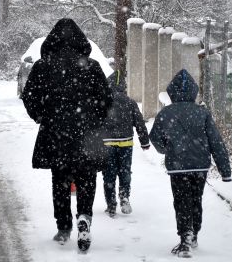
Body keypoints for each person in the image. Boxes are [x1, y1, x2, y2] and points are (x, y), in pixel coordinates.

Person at [21, 18, 112, 253]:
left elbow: (29, 96)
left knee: (60, 179)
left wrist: (41, 116)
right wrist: (94, 121)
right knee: (87, 177)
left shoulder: (43, 66)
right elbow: (106, 100)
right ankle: (84, 217)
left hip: (56, 134)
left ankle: (63, 226)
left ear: (52, 40)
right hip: (86, 134)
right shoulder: (91, 66)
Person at [149, 69, 232, 258]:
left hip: (178, 166)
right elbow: (215, 141)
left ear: (172, 91)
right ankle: (194, 232)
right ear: (193, 91)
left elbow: (154, 138)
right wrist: (225, 170)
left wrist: (166, 149)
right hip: (200, 166)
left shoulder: (166, 113)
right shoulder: (202, 113)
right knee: (196, 199)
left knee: (181, 200)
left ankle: (185, 236)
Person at [102, 70, 150, 217]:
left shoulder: (103, 101)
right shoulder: (130, 102)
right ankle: (124, 196)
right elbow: (139, 123)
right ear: (123, 86)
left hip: (107, 144)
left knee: (109, 174)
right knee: (125, 171)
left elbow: (94, 122)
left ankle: (111, 204)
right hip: (126, 143)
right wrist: (144, 141)